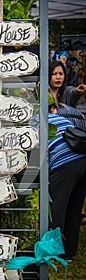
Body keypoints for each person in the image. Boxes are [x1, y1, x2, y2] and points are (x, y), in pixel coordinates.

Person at [48, 97, 86, 263]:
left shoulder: (35, 121)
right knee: (74, 209)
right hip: (83, 159)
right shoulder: (63, 118)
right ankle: (69, 251)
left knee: (56, 209)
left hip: (64, 165)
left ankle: (52, 251)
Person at [49, 60, 86, 225]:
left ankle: (56, 244)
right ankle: (66, 246)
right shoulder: (40, 95)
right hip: (69, 154)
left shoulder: (65, 98)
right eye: (54, 73)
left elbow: (72, 92)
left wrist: (78, 92)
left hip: (67, 155)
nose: (58, 77)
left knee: (61, 205)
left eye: (61, 74)